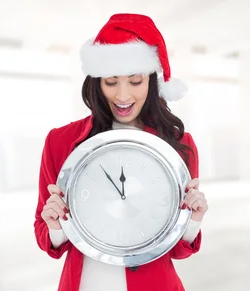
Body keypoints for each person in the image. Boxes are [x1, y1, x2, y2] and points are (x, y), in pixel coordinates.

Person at [33, 13, 208, 291]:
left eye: (135, 81)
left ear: (152, 81)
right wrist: (55, 224)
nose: (123, 96)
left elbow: (177, 250)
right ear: (97, 82)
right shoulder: (60, 142)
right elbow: (46, 237)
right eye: (111, 82)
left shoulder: (178, 145)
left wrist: (193, 219)